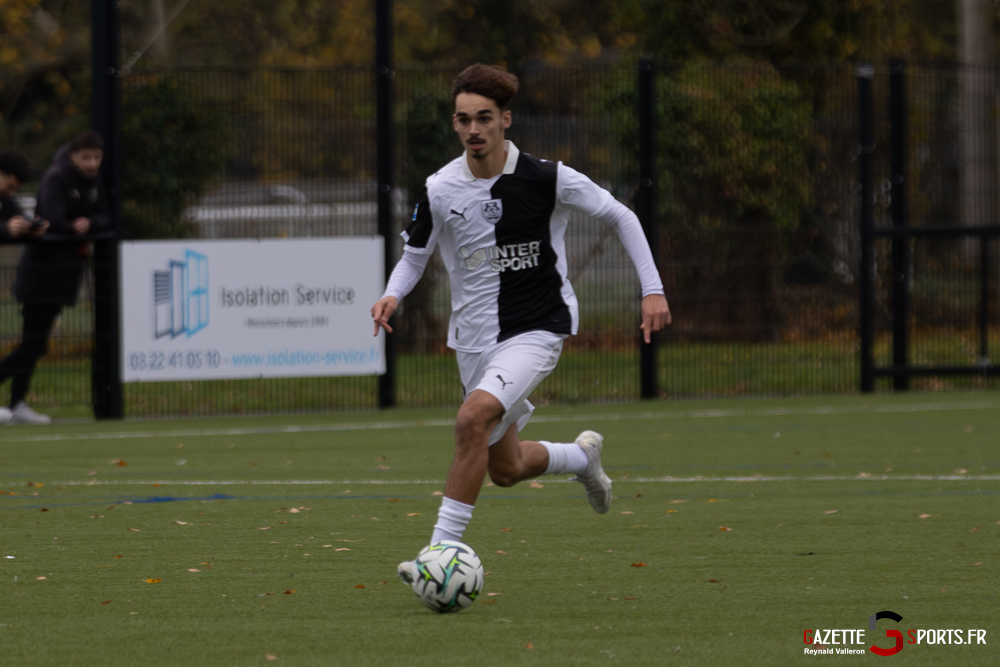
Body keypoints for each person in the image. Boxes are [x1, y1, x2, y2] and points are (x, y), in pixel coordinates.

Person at [370, 64, 671, 582]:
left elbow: (621, 215)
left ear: (505, 119)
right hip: (473, 340)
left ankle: (436, 559)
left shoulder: (547, 177)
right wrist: (392, 293)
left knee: (470, 420)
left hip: (537, 326)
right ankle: (580, 458)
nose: (473, 130)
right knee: (504, 469)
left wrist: (652, 288)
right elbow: (415, 255)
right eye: (463, 120)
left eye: (484, 118)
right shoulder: (440, 188)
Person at [0, 131, 109, 425]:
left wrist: (31, 226)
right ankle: (16, 403)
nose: (92, 163)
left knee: (35, 343)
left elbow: (105, 214)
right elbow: (51, 219)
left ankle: (17, 404)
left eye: (96, 157)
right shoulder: (57, 179)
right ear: (73, 156)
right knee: (34, 343)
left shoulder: (92, 183)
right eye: (86, 157)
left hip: (62, 276)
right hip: (40, 275)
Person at [0, 150, 50, 424]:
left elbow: (16, 217)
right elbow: (6, 227)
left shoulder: (5, 200)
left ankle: (17, 404)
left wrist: (32, 228)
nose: (10, 193)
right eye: (9, 185)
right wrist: (7, 230)